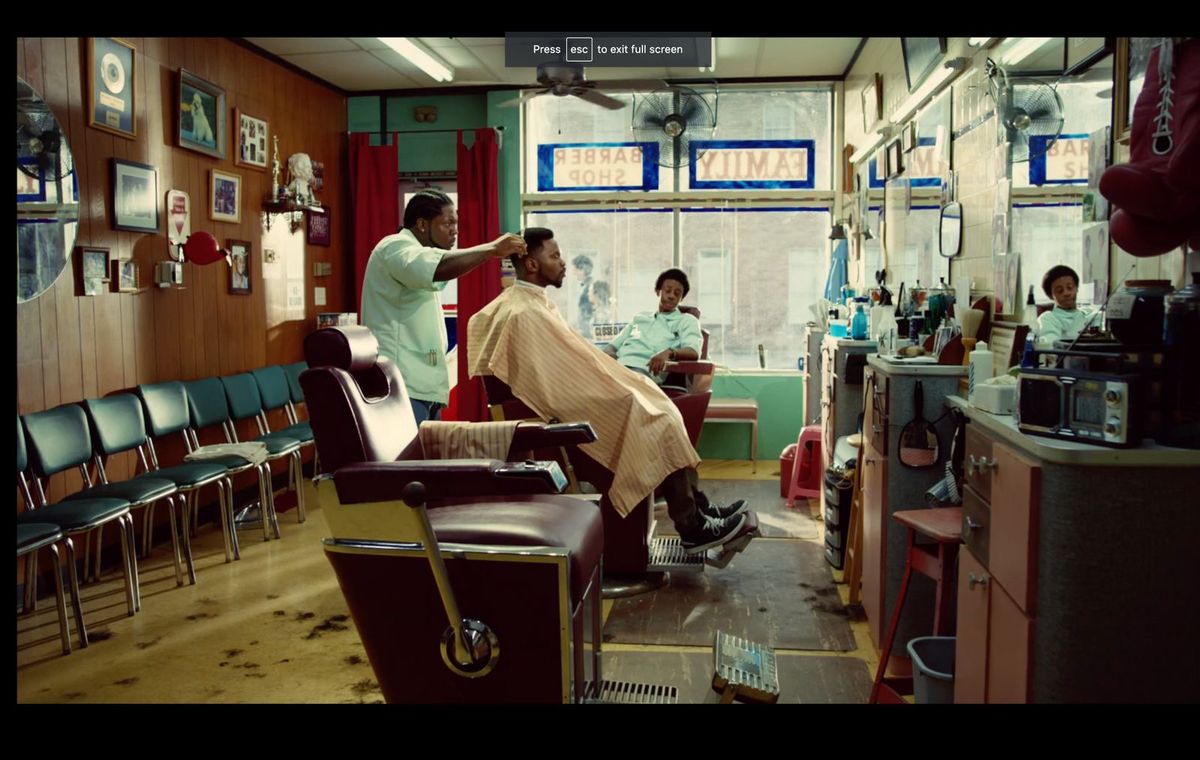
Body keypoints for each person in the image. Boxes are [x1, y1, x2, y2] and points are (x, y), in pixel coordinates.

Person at [467, 228, 754, 555]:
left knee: (657, 406)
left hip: (580, 395)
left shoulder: (528, 305)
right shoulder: (523, 311)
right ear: (531, 264)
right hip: (558, 416)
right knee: (655, 418)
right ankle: (692, 526)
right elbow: (545, 381)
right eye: (555, 256)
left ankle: (696, 511)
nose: (563, 263)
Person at [361, 189, 526, 423]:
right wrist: (491, 250)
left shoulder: (419, 254)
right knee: (409, 459)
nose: (455, 230)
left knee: (429, 458)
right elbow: (437, 268)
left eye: (456, 223)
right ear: (421, 224)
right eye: (448, 223)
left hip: (424, 386)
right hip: (401, 384)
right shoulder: (394, 247)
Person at [603, 268, 702, 385]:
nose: (671, 296)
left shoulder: (686, 321)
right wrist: (609, 356)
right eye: (668, 291)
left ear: (681, 298)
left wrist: (669, 353)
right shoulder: (639, 318)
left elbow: (693, 351)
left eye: (677, 293)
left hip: (642, 373)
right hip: (616, 368)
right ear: (658, 291)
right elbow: (612, 346)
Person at [1036, 265, 1097, 348]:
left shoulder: (1090, 313)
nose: (1066, 293)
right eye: (1060, 291)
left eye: (1070, 287)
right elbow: (1052, 348)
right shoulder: (1048, 318)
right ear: (1050, 295)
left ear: (1077, 288)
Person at [572, 254, 595, 336]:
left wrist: (581, 329)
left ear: (583, 270)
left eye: (575, 270)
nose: (573, 273)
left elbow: (587, 314)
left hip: (587, 332)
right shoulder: (584, 285)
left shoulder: (590, 287)